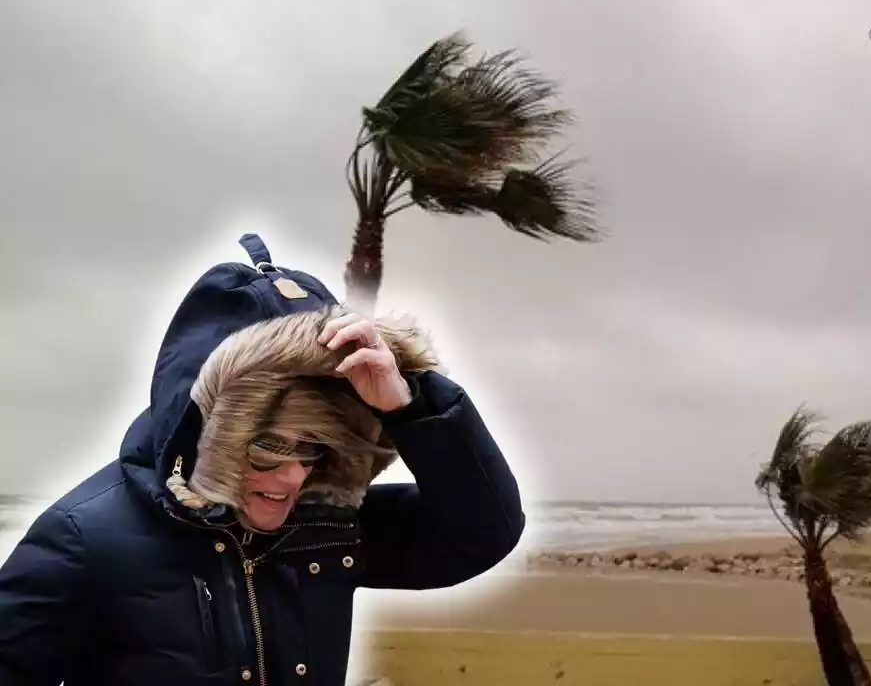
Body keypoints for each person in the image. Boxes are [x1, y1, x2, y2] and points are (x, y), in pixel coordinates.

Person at [0, 234, 525, 685]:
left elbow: (480, 534)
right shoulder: (84, 539)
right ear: (210, 430)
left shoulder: (323, 524)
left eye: (313, 448)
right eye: (268, 447)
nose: (293, 476)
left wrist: (412, 403)